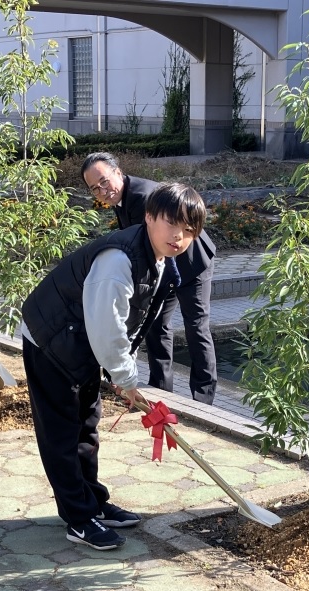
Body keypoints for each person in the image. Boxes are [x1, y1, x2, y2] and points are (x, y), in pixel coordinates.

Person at [21, 183, 205, 550]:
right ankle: (78, 518)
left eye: (188, 230)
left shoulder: (158, 258)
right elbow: (107, 327)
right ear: (149, 216)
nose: (179, 236)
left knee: (86, 429)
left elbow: (129, 325)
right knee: (62, 436)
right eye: (172, 224)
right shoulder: (118, 260)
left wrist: (121, 374)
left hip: (81, 345)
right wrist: (126, 377)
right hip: (51, 340)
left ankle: (94, 503)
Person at [80, 152, 218, 405]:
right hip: (165, 266)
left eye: (104, 181)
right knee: (157, 326)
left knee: (196, 327)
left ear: (118, 173)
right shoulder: (124, 200)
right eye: (94, 188)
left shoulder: (143, 199)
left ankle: (203, 399)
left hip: (191, 264)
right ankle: (161, 388)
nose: (101, 191)